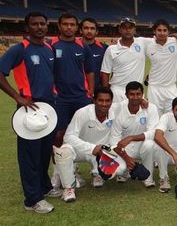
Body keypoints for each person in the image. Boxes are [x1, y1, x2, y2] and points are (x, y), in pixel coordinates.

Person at [0, 12, 59, 213]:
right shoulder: (19, 49)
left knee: (44, 153)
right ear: (27, 27)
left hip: (48, 109)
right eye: (34, 24)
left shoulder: (49, 48)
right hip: (29, 109)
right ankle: (32, 200)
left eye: (42, 23)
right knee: (30, 157)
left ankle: (45, 187)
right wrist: (18, 97)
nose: (39, 27)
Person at [52, 86, 115, 202]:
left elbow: (130, 102)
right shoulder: (82, 113)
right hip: (81, 150)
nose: (104, 104)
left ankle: (97, 174)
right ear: (94, 100)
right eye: (100, 100)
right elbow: (68, 137)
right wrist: (91, 148)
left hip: (101, 151)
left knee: (118, 169)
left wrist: (142, 101)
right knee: (64, 151)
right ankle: (68, 188)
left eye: (107, 101)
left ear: (112, 102)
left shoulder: (115, 111)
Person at [51, 12, 95, 149]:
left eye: (72, 25)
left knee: (85, 132)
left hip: (81, 97)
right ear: (59, 26)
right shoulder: (51, 45)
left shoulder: (83, 46)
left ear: (77, 28)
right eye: (65, 24)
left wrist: (91, 93)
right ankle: (59, 168)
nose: (69, 27)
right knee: (59, 134)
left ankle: (87, 164)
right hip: (60, 98)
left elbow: (89, 71)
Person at [109, 81, 165, 188]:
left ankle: (148, 179)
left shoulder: (151, 108)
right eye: (132, 94)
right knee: (119, 170)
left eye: (138, 94)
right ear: (126, 95)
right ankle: (125, 172)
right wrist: (126, 158)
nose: (135, 97)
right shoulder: (118, 109)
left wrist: (131, 138)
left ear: (142, 95)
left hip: (142, 146)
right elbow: (114, 141)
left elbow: (153, 132)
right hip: (124, 148)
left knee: (149, 144)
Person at [101, 17, 150, 103]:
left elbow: (160, 39)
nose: (128, 30)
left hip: (136, 92)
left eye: (130, 27)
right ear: (120, 29)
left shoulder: (142, 42)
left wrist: (174, 36)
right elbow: (105, 72)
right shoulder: (112, 49)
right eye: (124, 27)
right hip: (117, 91)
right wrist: (106, 93)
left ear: (135, 30)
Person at [145, 19, 177, 115]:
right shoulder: (147, 44)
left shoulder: (175, 42)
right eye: (159, 30)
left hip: (171, 88)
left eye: (165, 30)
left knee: (173, 117)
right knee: (155, 118)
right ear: (154, 31)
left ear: (169, 32)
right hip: (154, 89)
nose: (162, 33)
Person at [80, 17, 108, 88]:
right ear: (80, 30)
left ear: (97, 31)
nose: (89, 31)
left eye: (92, 28)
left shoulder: (104, 48)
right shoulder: (74, 47)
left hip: (98, 90)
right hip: (78, 90)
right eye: (86, 28)